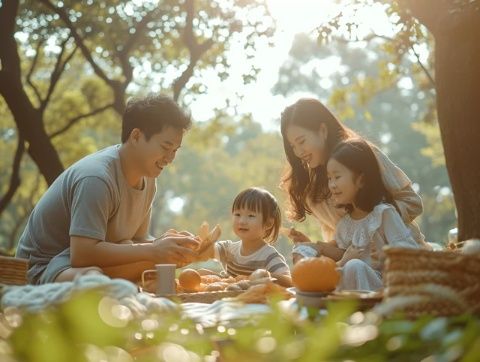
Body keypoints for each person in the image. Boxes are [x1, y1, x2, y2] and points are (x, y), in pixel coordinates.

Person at [16, 94, 200, 285]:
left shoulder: (148, 179)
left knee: (159, 265)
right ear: (136, 136)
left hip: (87, 264)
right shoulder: (96, 178)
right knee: (96, 282)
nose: (170, 158)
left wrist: (170, 247)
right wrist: (154, 250)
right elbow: (82, 254)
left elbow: (137, 240)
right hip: (44, 268)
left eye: (175, 150)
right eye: (165, 146)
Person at [280, 98, 430, 261]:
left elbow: (412, 202)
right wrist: (316, 247)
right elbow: (344, 241)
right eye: (293, 146)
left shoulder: (361, 156)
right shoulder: (311, 189)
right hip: (357, 265)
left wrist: (377, 221)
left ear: (322, 130)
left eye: (301, 141)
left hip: (401, 260)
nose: (298, 152)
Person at [324, 139, 419, 290]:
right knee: (347, 268)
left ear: (361, 180)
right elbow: (339, 270)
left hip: (386, 288)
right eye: (329, 178)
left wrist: (385, 256)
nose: (332, 185)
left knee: (354, 266)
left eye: (337, 176)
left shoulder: (383, 214)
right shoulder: (344, 225)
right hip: (353, 292)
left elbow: (408, 253)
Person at [199, 187, 292, 287]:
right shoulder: (228, 248)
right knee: (200, 273)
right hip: (227, 292)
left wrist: (262, 276)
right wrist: (206, 242)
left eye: (251, 216)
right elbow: (207, 252)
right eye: (238, 214)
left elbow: (288, 281)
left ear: (268, 223)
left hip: (253, 297)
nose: (242, 221)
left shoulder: (270, 256)